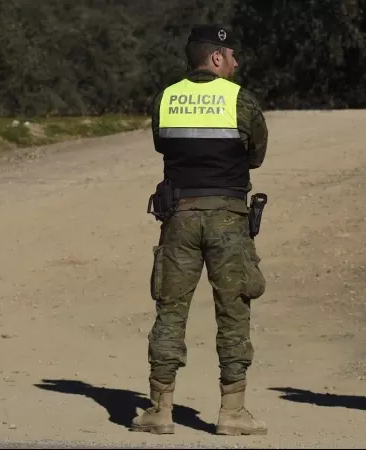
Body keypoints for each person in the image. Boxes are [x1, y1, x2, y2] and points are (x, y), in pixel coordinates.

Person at [131, 24, 269, 436]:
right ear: (215, 58)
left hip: (179, 217)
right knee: (233, 310)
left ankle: (159, 409)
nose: (236, 62)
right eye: (231, 56)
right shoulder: (240, 99)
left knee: (170, 310)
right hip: (228, 216)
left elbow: (162, 144)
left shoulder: (166, 98)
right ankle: (233, 412)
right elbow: (257, 154)